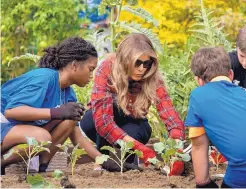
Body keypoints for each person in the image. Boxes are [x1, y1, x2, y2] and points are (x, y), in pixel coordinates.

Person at [0, 37, 125, 175]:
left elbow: (78, 138)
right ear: (74, 65)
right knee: (42, 137)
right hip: (3, 122)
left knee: (69, 120)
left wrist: (105, 161)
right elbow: (11, 111)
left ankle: (42, 168)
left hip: (15, 131)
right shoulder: (44, 77)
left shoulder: (68, 93)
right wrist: (56, 112)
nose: (92, 75)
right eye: (90, 69)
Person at [80, 33, 186, 176]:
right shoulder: (107, 68)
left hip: (135, 122)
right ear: (125, 61)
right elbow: (103, 122)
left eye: (146, 63)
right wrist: (143, 150)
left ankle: (130, 164)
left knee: (133, 132)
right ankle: (102, 159)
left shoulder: (152, 77)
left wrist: (177, 148)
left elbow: (170, 115)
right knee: (90, 120)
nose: (142, 69)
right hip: (104, 121)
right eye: (137, 63)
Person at [185, 46, 246, 188]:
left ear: (199, 81)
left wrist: (203, 183)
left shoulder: (198, 95)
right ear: (231, 74)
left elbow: (199, 144)